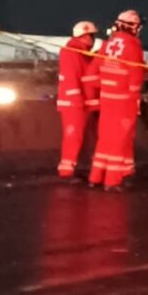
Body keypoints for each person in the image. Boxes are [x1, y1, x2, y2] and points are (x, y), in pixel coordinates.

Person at [87, 10, 146, 191]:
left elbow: (91, 73)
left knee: (105, 138)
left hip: (106, 98)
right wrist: (134, 99)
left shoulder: (107, 44)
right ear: (132, 26)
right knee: (119, 140)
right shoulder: (134, 46)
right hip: (124, 101)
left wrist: (105, 86)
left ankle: (95, 177)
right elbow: (136, 77)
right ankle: (112, 181)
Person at [55, 21, 99, 179]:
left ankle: (74, 168)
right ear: (84, 36)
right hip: (74, 103)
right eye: (90, 36)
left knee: (82, 138)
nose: (92, 40)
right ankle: (66, 171)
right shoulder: (71, 51)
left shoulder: (83, 52)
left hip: (84, 102)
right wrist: (77, 99)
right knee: (73, 136)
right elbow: (72, 77)